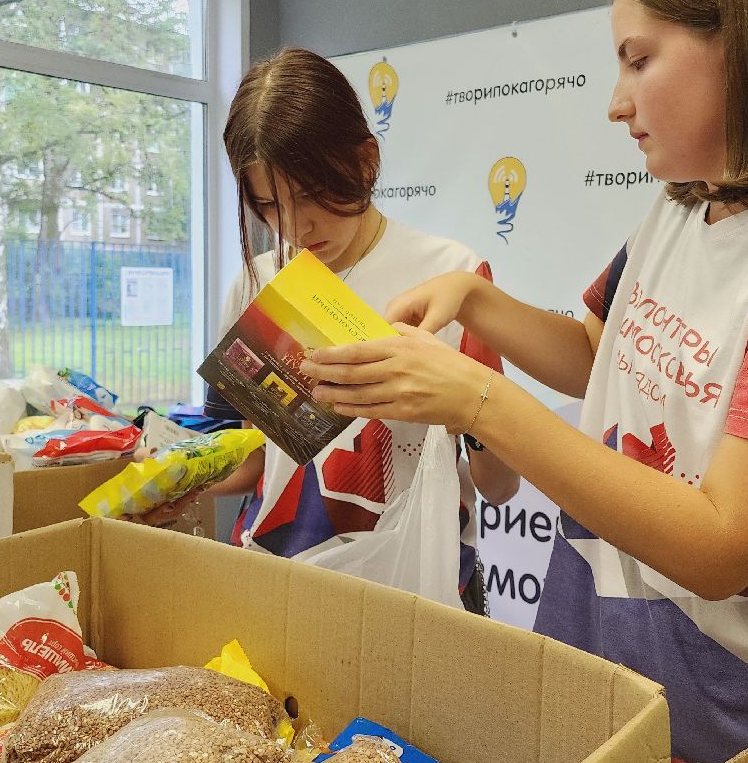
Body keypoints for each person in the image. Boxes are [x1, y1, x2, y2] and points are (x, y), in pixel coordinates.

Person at [300, 0, 748, 763]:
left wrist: (478, 400)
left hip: (733, 725)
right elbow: (600, 354)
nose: (616, 103)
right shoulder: (685, 205)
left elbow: (722, 545)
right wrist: (476, 301)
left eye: (639, 60)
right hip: (602, 662)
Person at [192, 47, 519, 613]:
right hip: (278, 579)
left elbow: (500, 485)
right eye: (269, 205)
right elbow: (257, 462)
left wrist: (469, 403)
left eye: (311, 195)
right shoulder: (257, 282)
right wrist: (173, 481)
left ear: (367, 160)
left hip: (411, 593)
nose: (295, 227)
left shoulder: (450, 276)